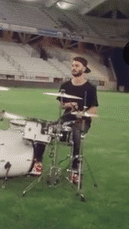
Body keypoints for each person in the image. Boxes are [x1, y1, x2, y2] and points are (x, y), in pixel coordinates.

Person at [30, 56, 99, 185]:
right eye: (72, 65)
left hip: (82, 121)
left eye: (77, 65)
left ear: (84, 68)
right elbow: (61, 104)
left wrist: (82, 114)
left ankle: (74, 170)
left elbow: (94, 109)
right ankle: (37, 163)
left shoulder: (90, 88)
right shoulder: (65, 85)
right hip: (66, 118)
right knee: (45, 128)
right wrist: (67, 105)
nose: (73, 68)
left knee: (76, 134)